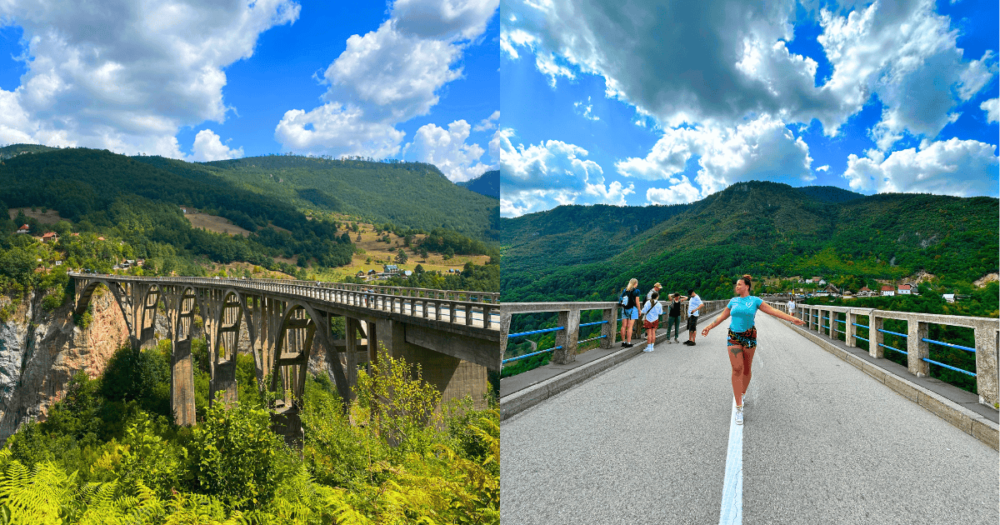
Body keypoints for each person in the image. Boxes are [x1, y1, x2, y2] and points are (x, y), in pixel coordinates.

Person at [701, 275, 805, 425]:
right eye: (736, 285)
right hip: (734, 337)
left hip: (750, 337)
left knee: (746, 369)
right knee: (737, 369)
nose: (736, 287)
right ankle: (738, 407)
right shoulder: (733, 301)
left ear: (747, 286)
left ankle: (742, 393)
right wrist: (709, 327)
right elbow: (722, 317)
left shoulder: (755, 301)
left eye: (739, 284)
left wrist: (792, 318)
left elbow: (773, 311)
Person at [618, 278, 641, 347]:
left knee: (623, 326)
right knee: (630, 327)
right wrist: (639, 310)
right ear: (635, 283)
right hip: (632, 309)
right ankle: (628, 343)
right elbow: (637, 302)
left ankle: (623, 342)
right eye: (637, 284)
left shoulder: (625, 290)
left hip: (624, 309)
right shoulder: (637, 291)